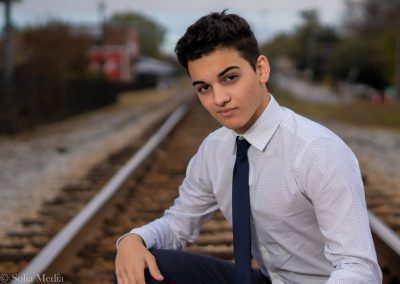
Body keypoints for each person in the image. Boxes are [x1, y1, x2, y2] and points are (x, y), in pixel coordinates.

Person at [114, 10, 382, 284]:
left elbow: (359, 268)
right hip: (267, 280)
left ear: (261, 70)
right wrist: (135, 239)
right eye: (204, 88)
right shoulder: (214, 150)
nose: (219, 99)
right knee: (140, 267)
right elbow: (177, 225)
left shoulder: (317, 151)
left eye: (230, 78)